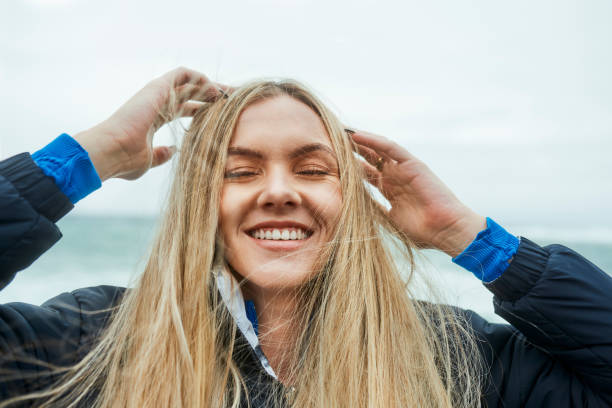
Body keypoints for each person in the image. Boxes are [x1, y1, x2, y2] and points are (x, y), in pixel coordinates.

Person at [0, 67, 610, 407]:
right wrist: (87, 158)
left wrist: (468, 237)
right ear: (200, 206)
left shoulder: (460, 359)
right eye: (239, 171)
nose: (278, 191)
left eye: (314, 170)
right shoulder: (93, 340)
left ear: (354, 198)